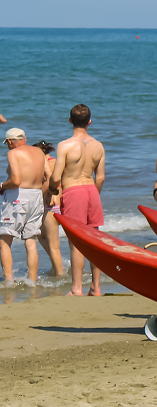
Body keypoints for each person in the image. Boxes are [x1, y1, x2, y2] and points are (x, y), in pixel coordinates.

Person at [51, 104, 106, 296]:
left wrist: (51, 189)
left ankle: (76, 289)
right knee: (94, 241)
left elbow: (56, 177)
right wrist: (93, 193)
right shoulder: (98, 146)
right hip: (92, 190)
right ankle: (96, 287)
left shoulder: (64, 145)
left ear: (70, 121)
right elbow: (100, 178)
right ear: (89, 122)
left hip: (73, 192)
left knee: (76, 243)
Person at [1, 128, 47, 285]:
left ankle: (8, 280)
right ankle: (32, 281)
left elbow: (16, 180)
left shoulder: (13, 153)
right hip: (36, 196)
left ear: (9, 141)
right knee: (30, 239)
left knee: (4, 239)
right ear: (24, 139)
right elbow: (49, 177)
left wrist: (2, 185)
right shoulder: (39, 152)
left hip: (18, 197)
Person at [34, 141, 64, 277]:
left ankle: (59, 273)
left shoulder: (43, 165)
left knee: (53, 244)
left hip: (50, 205)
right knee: (41, 235)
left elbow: (50, 181)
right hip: (60, 204)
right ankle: (56, 266)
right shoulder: (57, 161)